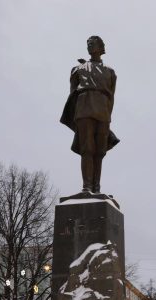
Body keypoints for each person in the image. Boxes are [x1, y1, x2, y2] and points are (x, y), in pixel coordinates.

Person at [60, 36, 119, 193]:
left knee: (100, 151)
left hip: (103, 112)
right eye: (87, 44)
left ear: (101, 47)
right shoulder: (77, 69)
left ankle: (96, 187)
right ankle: (87, 186)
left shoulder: (110, 72)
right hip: (84, 107)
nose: (89, 46)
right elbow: (72, 95)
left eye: (92, 43)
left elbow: (111, 97)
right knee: (87, 149)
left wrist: (108, 117)